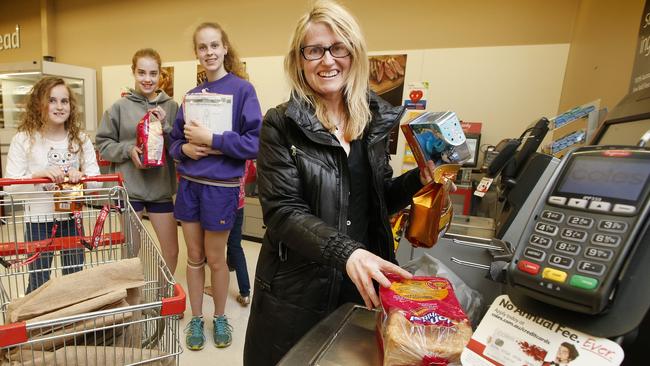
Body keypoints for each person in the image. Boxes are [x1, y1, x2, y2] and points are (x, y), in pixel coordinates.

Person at [243, 1, 437, 364]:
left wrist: (417, 181)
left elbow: (377, 201)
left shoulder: (372, 122)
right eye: (314, 50)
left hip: (358, 286)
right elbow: (283, 213)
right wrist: (347, 253)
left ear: (354, 53)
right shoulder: (280, 124)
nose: (327, 61)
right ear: (299, 60)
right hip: (296, 293)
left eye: (338, 48)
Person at [168, 22, 261, 350]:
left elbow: (253, 144)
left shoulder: (242, 91)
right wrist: (185, 150)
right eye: (202, 47)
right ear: (196, 53)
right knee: (194, 257)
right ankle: (196, 317)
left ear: (225, 49)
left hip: (220, 189)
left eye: (214, 46)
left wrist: (213, 140)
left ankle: (219, 317)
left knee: (216, 258)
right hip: (190, 186)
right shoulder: (192, 97)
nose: (208, 52)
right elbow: (174, 142)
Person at [5, 76, 101, 293]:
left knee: (74, 276)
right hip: (38, 221)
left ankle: (73, 322)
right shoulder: (23, 140)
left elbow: (96, 183)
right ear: (39, 103)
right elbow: (10, 188)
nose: (59, 107)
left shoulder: (80, 140)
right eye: (52, 100)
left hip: (71, 218)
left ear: (71, 105)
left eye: (64, 101)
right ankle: (38, 325)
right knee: (39, 279)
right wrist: (37, 176)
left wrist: (82, 177)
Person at [95, 48, 180, 274]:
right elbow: (102, 143)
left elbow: (178, 146)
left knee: (171, 251)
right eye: (141, 72)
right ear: (133, 72)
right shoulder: (118, 108)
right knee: (132, 250)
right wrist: (128, 150)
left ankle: (164, 295)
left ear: (160, 74)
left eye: (153, 73)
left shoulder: (171, 107)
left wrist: (167, 127)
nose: (147, 79)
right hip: (130, 190)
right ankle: (134, 302)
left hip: (160, 189)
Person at [205, 159, 255, 306]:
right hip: (239, 204)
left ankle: (216, 288)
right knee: (235, 246)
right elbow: (251, 174)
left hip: (222, 205)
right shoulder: (245, 152)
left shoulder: (225, 151)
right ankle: (245, 293)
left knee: (216, 250)